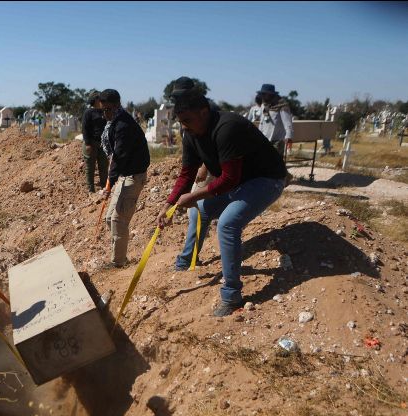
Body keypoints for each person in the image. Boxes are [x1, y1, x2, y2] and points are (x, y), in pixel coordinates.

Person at [158, 77, 288, 317]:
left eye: (188, 121)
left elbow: (228, 179)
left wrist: (194, 195)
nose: (184, 127)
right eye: (181, 122)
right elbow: (187, 173)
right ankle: (187, 261)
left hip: (266, 180)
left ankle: (232, 296)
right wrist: (169, 203)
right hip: (239, 182)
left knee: (228, 224)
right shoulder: (190, 133)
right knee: (199, 211)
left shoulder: (227, 127)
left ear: (204, 112)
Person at [99, 89, 150, 268]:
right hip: (124, 175)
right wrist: (111, 181)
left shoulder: (123, 125)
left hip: (134, 176)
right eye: (102, 110)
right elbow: (114, 157)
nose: (105, 114)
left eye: (107, 110)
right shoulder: (113, 123)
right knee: (109, 219)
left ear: (117, 106)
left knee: (118, 220)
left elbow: (119, 157)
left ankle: (118, 263)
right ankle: (120, 256)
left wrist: (108, 185)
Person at [81, 90, 108, 193]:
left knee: (103, 166)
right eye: (99, 98)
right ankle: (90, 189)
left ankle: (104, 187)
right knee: (90, 167)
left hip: (102, 144)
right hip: (91, 144)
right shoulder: (88, 112)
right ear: (95, 99)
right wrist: (87, 143)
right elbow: (85, 128)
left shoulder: (104, 111)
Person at [257, 84, 293, 159]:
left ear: (271, 95)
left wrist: (289, 136)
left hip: (277, 141)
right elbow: (262, 122)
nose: (262, 96)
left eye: (264, 94)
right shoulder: (264, 105)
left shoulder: (282, 106)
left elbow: (288, 123)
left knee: (275, 161)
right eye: (262, 94)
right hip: (265, 140)